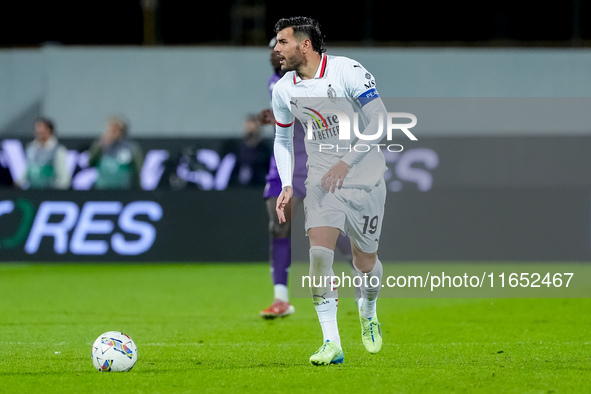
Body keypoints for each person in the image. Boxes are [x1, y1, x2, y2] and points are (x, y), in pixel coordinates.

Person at [271, 16, 387, 365]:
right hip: (321, 179)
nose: (276, 49)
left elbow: (380, 120)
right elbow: (282, 139)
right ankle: (331, 343)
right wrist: (287, 183)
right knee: (319, 256)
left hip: (364, 175)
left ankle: (367, 309)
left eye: (282, 42)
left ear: (304, 45)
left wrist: (347, 162)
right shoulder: (283, 89)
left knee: (364, 262)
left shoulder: (347, 71)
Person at [259, 38, 355, 319]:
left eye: (279, 49)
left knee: (330, 229)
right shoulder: (275, 83)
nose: (274, 54)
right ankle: (280, 298)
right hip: (284, 165)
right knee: (279, 226)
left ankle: (363, 270)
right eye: (271, 50)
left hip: (317, 163)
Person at [88, 116, 144, 190]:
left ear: (122, 131)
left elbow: (138, 169)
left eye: (116, 129)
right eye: (111, 129)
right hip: (102, 188)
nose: (113, 132)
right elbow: (90, 163)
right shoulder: (100, 146)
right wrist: (100, 146)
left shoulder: (131, 147)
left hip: (124, 189)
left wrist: (137, 188)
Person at [18, 117, 71, 190]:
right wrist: (20, 182)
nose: (38, 131)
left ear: (49, 130)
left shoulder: (58, 150)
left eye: (41, 128)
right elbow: (27, 170)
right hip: (32, 192)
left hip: (50, 192)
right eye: (37, 128)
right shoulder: (31, 149)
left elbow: (63, 177)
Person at [230, 114, 271, 188]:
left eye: (252, 127)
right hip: (239, 185)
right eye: (248, 127)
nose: (249, 129)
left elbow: (267, 168)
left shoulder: (264, 149)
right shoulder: (239, 148)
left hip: (259, 185)